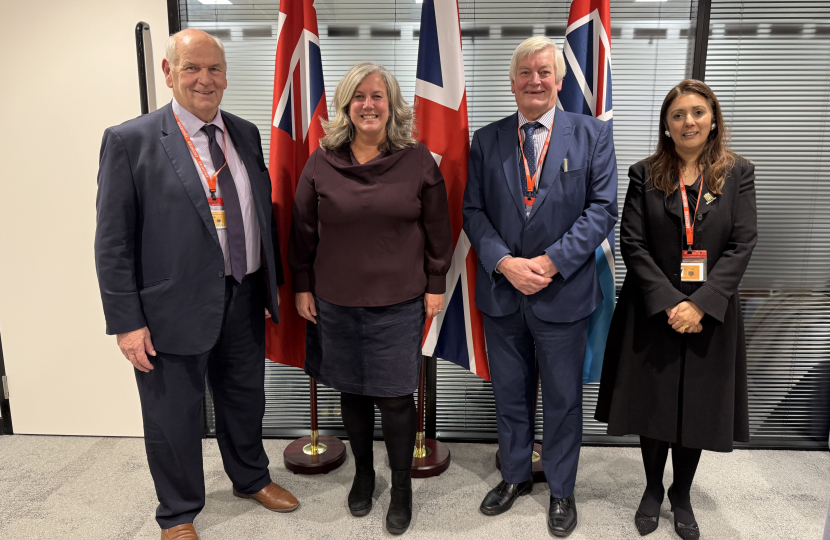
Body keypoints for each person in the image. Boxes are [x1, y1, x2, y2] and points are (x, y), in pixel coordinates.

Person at [94, 29, 297, 540]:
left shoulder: (246, 134)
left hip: (244, 293)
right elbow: (112, 242)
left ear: (226, 76)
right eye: (191, 68)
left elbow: (259, 217)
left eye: (214, 69)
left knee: (245, 399)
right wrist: (127, 323)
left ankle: (251, 478)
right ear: (168, 72)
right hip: (169, 308)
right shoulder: (131, 140)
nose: (205, 79)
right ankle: (178, 511)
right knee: (173, 415)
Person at [288, 62, 452, 535]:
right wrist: (302, 282)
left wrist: (436, 283)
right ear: (345, 106)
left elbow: (438, 229)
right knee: (353, 394)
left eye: (377, 96)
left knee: (397, 399)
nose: (368, 104)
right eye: (358, 96)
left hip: (398, 302)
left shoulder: (417, 159)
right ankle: (364, 474)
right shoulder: (321, 160)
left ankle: (401, 488)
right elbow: (302, 230)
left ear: (392, 105)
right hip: (334, 301)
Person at [462, 36, 618, 537]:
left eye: (544, 72)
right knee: (509, 395)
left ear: (560, 79)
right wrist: (505, 263)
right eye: (525, 73)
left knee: (562, 398)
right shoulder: (486, 140)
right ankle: (513, 477)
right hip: (503, 293)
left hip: (563, 292)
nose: (535, 81)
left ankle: (561, 488)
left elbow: (602, 210)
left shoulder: (592, 135)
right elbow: (473, 212)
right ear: (512, 83)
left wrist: (549, 264)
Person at [595, 79, 757, 540]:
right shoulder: (644, 173)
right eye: (678, 115)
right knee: (655, 404)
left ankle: (681, 494)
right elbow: (632, 243)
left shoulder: (738, 172)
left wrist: (701, 305)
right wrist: (671, 303)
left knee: (698, 408)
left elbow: (743, 243)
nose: (689, 121)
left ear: (713, 119)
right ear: (667, 126)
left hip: (712, 313)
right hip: (653, 310)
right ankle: (651, 488)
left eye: (698, 112)